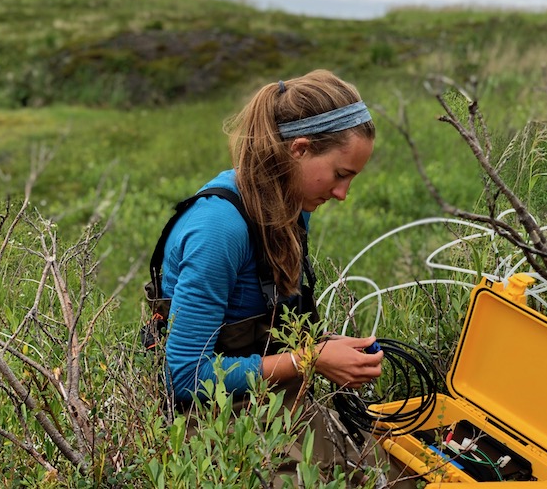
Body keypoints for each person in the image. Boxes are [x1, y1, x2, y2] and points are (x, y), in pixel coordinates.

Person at [152, 69, 387, 483]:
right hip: (208, 415)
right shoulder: (218, 230)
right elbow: (185, 377)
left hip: (269, 398)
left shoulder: (291, 205)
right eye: (340, 174)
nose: (343, 194)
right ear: (299, 149)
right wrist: (308, 360)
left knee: (388, 468)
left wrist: (324, 349)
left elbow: (268, 321)